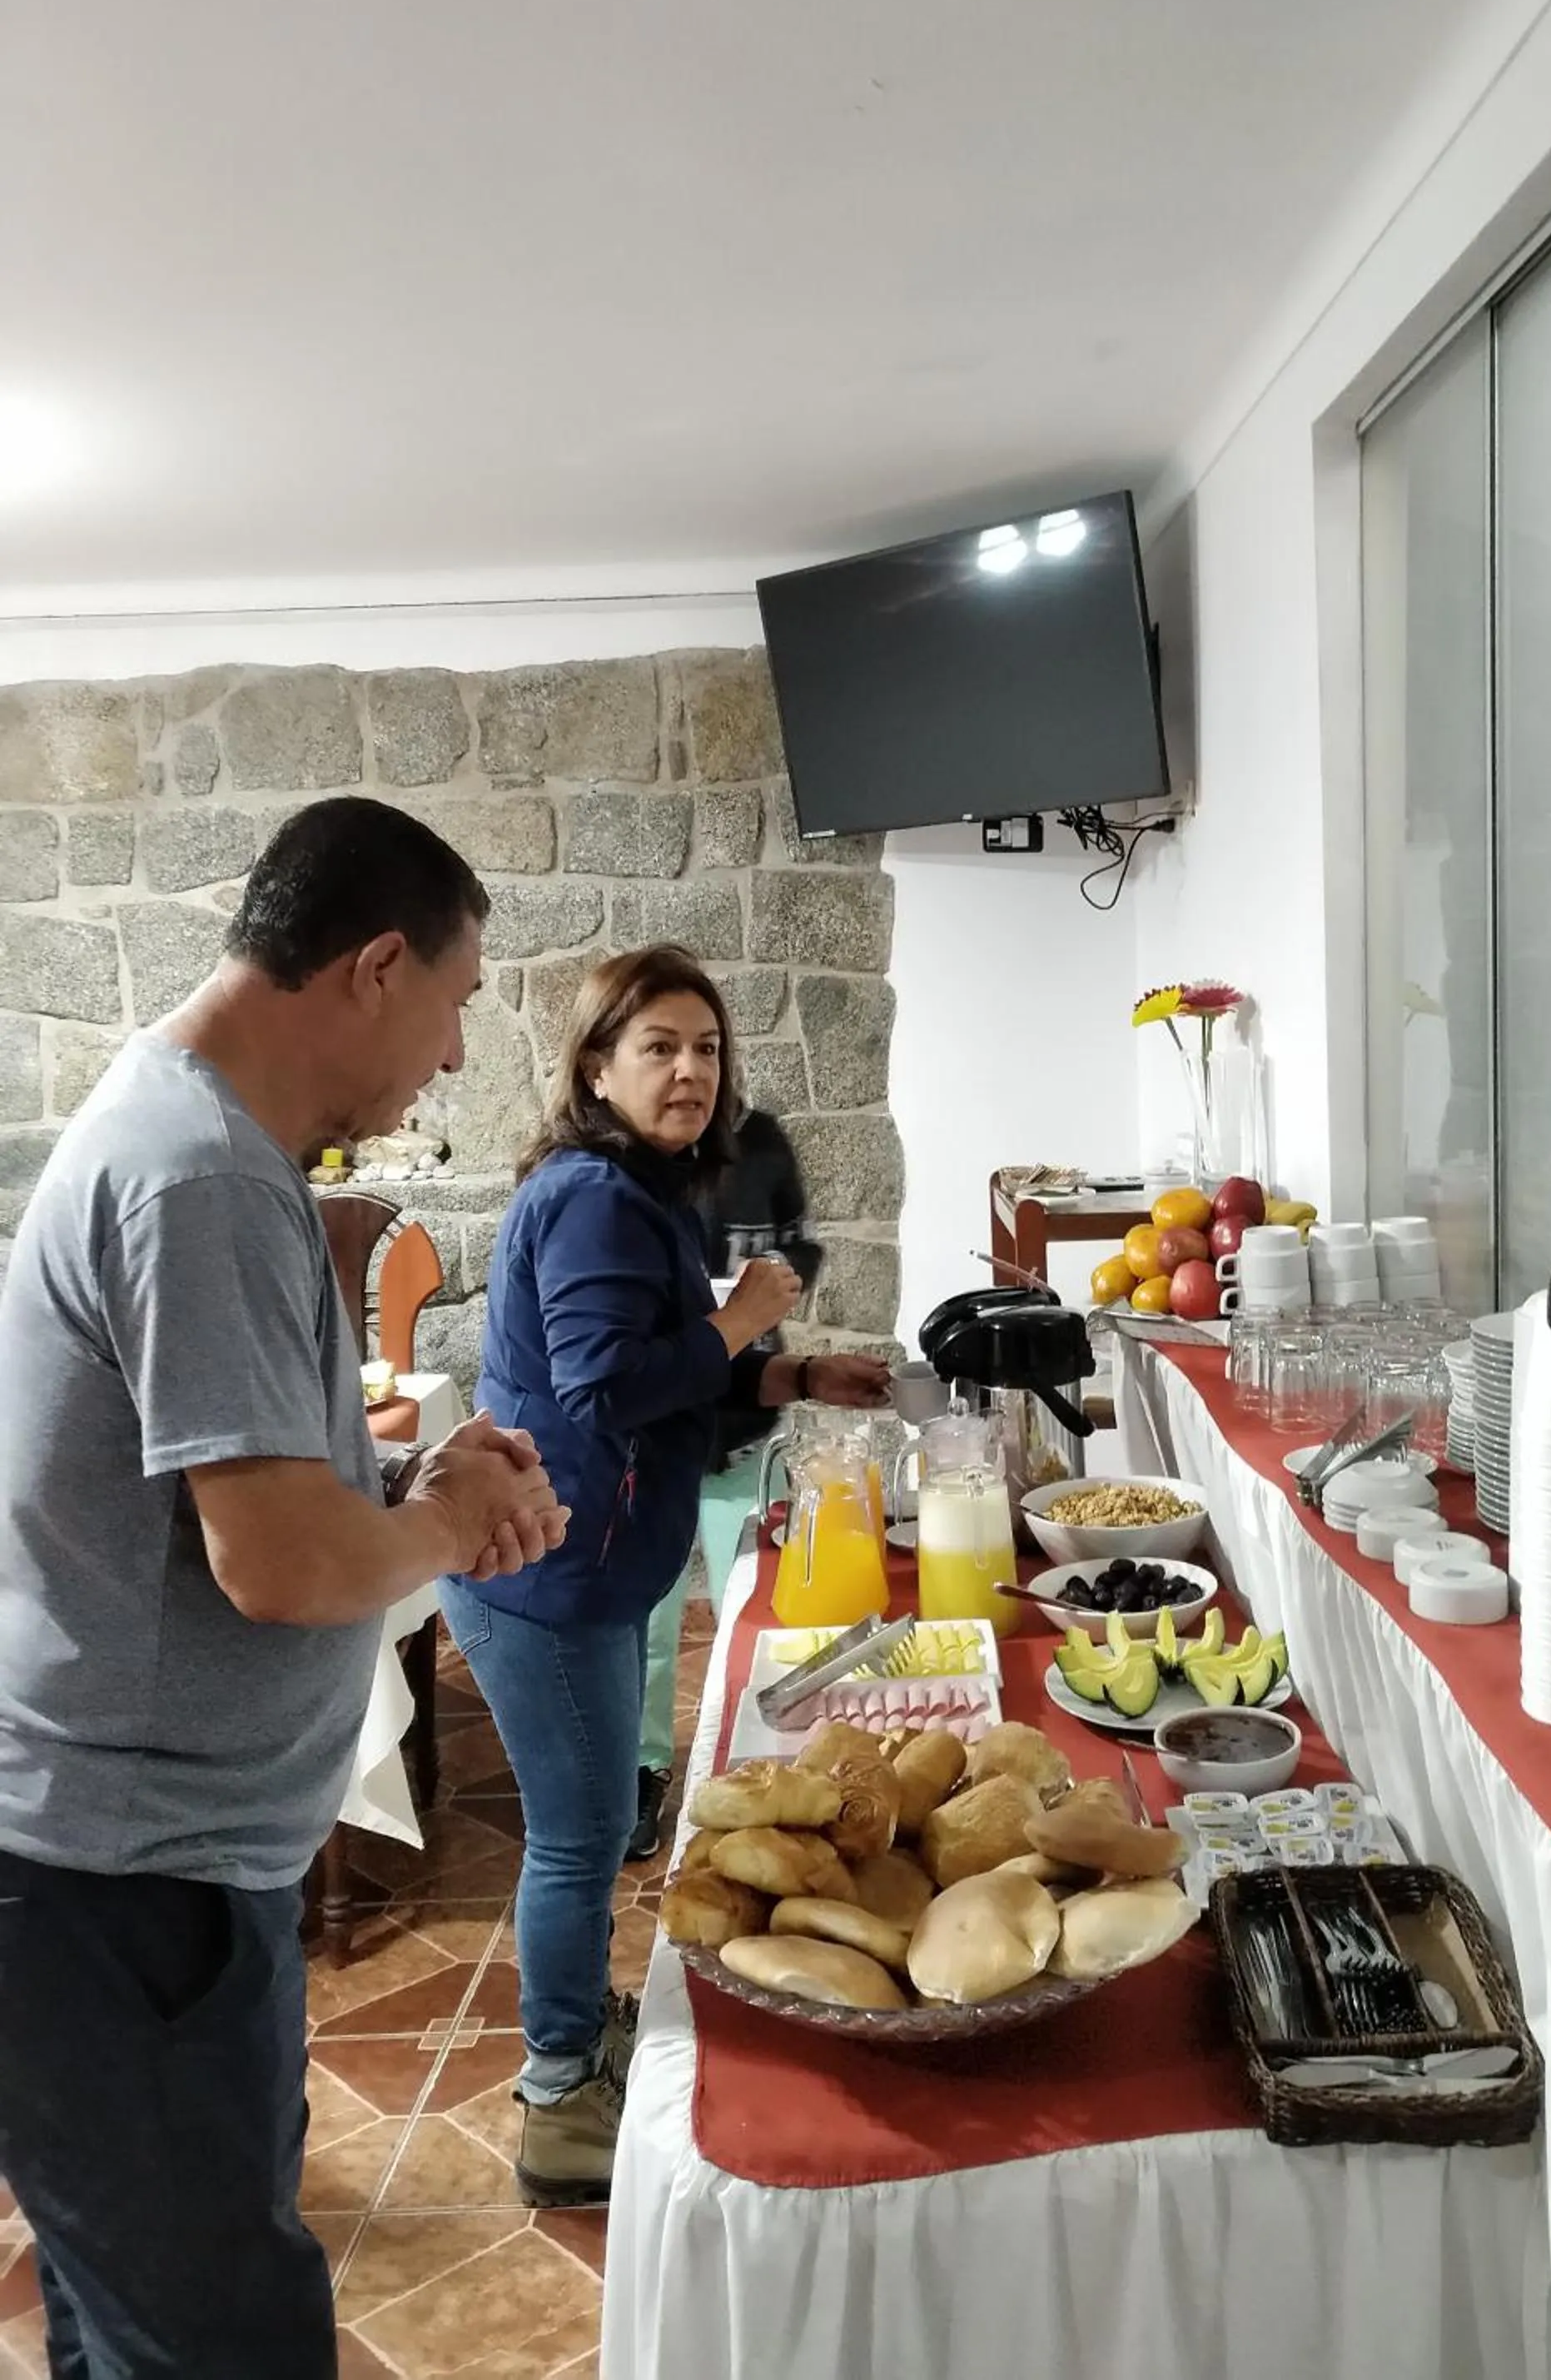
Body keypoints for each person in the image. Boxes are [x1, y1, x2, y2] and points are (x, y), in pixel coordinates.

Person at [0, 795, 569, 2380]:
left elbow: (241, 1511)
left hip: (143, 1874)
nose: (453, 1057)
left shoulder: (198, 1139)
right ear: (375, 965)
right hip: (118, 1890)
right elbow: (282, 1566)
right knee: (218, 2348)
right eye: (456, 1002)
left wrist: (421, 1495)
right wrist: (444, 1529)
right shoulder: (199, 1177)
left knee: (142, 2329)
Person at [445, 943, 890, 2205]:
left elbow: (658, 1372)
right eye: (658, 1047)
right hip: (542, 1570)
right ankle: (556, 2099)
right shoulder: (592, 1193)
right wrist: (746, 1320)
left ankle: (577, 2032)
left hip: (573, 1554)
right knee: (579, 1844)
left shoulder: (632, 1186)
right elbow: (603, 1381)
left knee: (584, 1839)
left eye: (705, 1048)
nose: (689, 1069)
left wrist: (792, 1373)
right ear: (596, 1064)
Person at [626, 1101, 823, 1861]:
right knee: (650, 1627)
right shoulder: (634, 1182)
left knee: (762, 1619)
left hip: (744, 1435)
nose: (692, 1078)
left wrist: (778, 1280)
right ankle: (644, 1771)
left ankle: (765, 1774)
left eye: (708, 1054)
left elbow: (799, 1245)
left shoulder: (766, 1144)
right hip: (661, 1448)